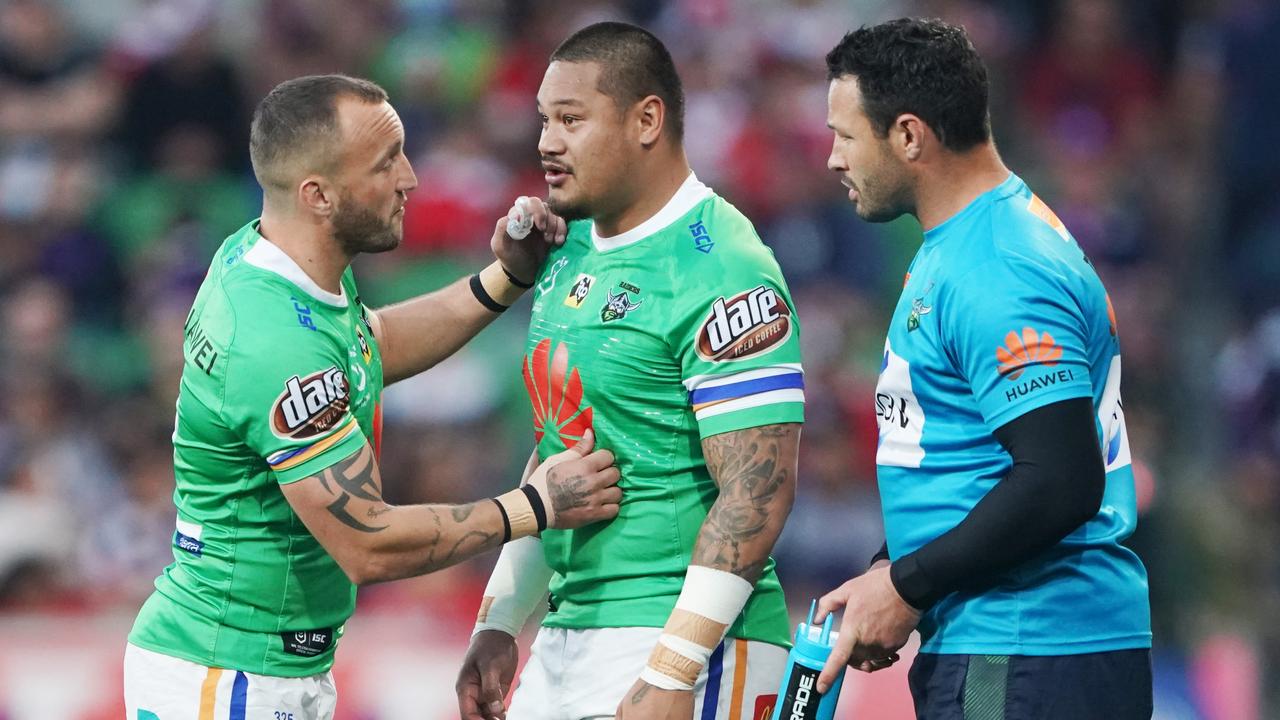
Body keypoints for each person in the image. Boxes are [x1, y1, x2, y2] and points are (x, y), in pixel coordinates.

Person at [122, 74, 623, 719]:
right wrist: (535, 506)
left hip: (256, 665)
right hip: (230, 677)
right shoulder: (274, 341)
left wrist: (505, 279)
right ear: (318, 195)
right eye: (386, 162)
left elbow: (368, 346)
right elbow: (367, 542)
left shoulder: (274, 259)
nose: (410, 178)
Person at [455, 22, 805, 720]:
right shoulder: (566, 251)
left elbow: (757, 491)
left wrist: (675, 670)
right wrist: (499, 620)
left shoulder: (723, 267)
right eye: (544, 121)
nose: (546, 142)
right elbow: (562, 453)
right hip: (571, 632)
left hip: (691, 641)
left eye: (571, 120)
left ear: (647, 119)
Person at [815, 18, 1153, 718]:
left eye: (846, 137)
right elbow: (972, 455)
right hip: (1011, 644)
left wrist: (908, 585)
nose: (832, 160)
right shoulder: (968, 243)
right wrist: (892, 569)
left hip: (1030, 644)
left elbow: (1061, 480)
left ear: (909, 136)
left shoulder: (997, 265)